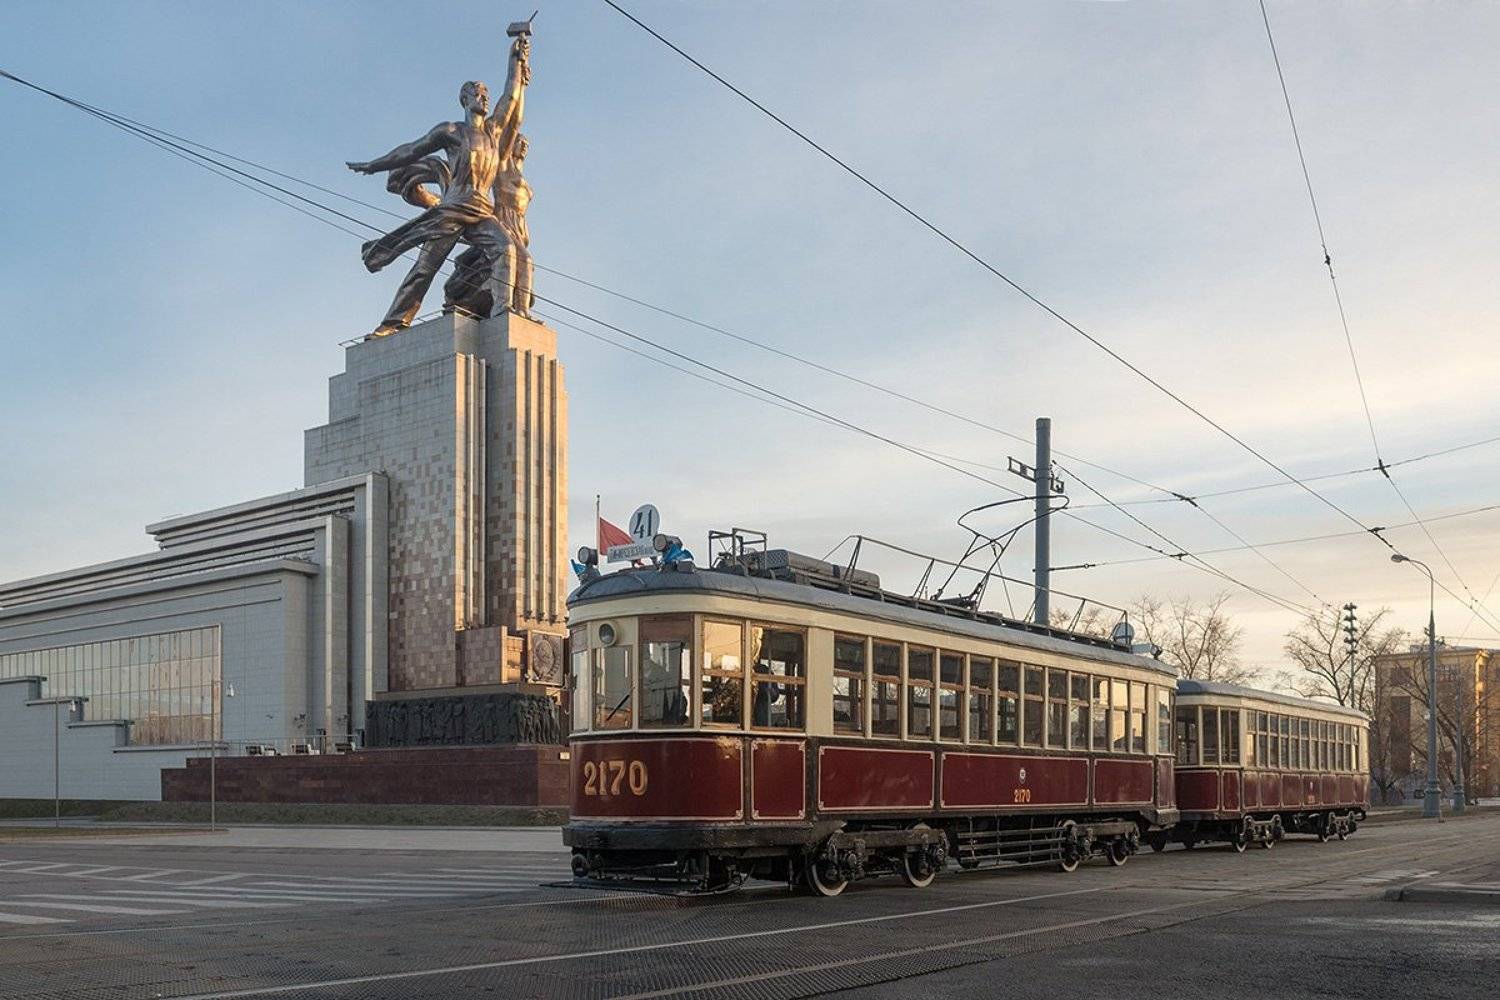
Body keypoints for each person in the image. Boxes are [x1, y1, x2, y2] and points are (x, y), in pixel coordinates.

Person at [347, 35, 529, 337]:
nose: (484, 98)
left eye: (486, 94)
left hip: (482, 211)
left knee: (506, 248)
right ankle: (392, 323)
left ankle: (503, 309)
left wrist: (517, 60)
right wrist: (375, 165)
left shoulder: (494, 132)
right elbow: (411, 150)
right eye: (477, 93)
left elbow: (511, 97)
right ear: (465, 99)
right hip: (453, 208)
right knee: (425, 267)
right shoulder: (451, 131)